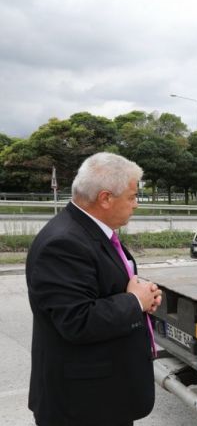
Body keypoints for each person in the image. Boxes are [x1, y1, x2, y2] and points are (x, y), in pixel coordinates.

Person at [25, 152, 162, 426]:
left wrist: (141, 296)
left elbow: (102, 285)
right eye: (132, 196)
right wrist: (134, 302)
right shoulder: (64, 243)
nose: (136, 204)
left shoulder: (90, 230)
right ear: (105, 198)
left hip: (102, 397)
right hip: (82, 407)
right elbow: (77, 320)